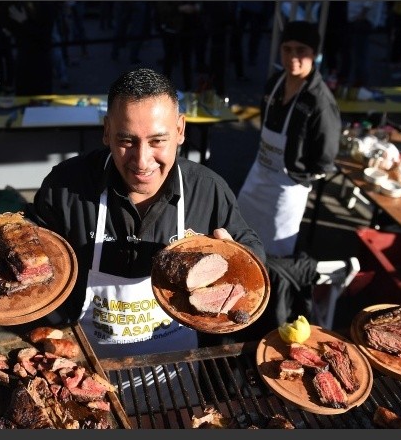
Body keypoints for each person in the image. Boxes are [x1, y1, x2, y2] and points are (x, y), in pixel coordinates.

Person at [23, 67, 266, 360]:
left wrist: (235, 261)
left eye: (157, 141)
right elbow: (31, 246)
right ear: (106, 131)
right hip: (86, 361)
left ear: (180, 131)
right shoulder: (66, 186)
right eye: (127, 141)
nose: (142, 160)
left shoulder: (207, 190)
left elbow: (251, 255)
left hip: (176, 368)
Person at [237, 21, 340, 258]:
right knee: (241, 240)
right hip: (257, 177)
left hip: (286, 189)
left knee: (272, 257)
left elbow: (324, 159)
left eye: (301, 50)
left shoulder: (319, 102)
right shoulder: (275, 84)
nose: (293, 56)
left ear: (314, 54)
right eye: (287, 49)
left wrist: (297, 173)